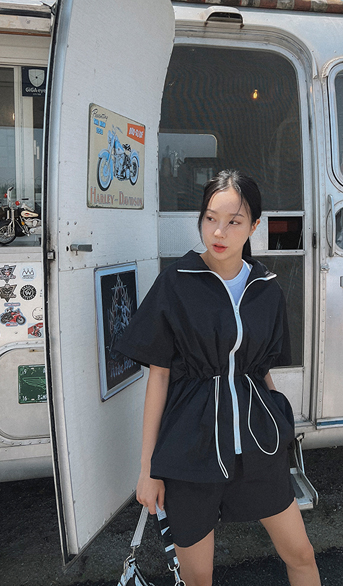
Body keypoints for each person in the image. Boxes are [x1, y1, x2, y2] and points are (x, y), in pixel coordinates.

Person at [115, 170, 321, 586]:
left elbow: (261, 370)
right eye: (210, 218)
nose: (219, 232)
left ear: (254, 226)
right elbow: (159, 378)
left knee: (301, 554)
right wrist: (148, 469)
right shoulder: (176, 283)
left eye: (234, 221)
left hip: (258, 447)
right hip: (190, 450)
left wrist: (281, 431)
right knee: (198, 577)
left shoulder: (266, 288)